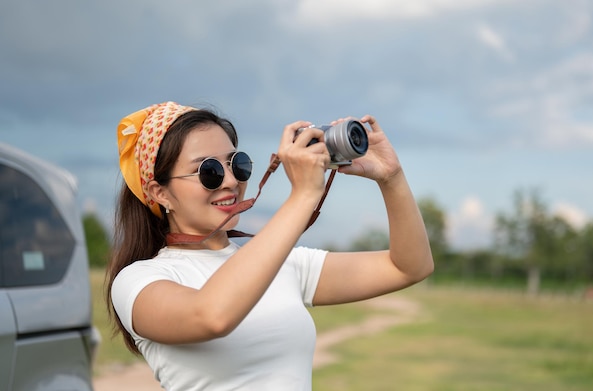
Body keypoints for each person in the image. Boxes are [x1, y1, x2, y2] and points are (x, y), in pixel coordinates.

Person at [105, 101, 434, 391]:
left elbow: (408, 266)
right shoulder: (138, 282)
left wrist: (391, 177)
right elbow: (211, 315)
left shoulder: (282, 264)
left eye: (238, 164)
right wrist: (303, 195)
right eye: (209, 171)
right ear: (160, 193)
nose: (232, 181)